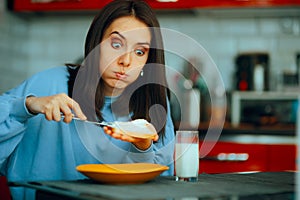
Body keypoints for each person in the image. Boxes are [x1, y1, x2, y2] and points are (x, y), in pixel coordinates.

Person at [0, 0, 175, 199]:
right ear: (95, 43)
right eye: (116, 44)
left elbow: (161, 189)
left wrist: (143, 147)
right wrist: (27, 106)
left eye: (139, 52)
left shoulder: (155, 103)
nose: (126, 61)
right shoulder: (49, 83)